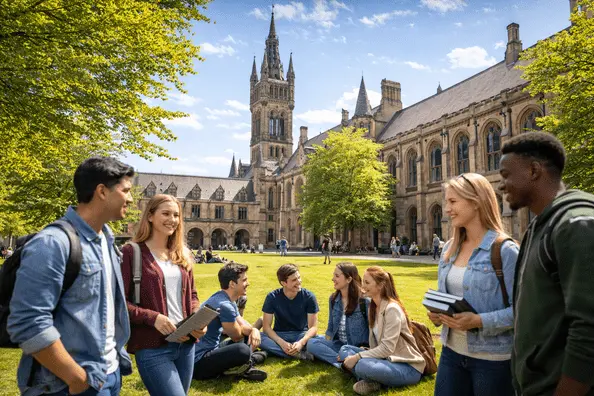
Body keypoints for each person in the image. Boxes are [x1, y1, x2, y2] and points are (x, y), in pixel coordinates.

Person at [8, 157, 135, 395]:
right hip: (65, 384)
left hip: (109, 374)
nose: (131, 199)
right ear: (102, 192)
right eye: (126, 190)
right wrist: (75, 378)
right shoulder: (52, 243)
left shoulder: (107, 241)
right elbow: (27, 322)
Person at [499, 132, 594, 396]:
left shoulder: (576, 224)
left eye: (506, 175)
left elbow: (588, 328)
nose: (501, 185)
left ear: (533, 170)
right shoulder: (542, 224)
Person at [427, 172, 519, 396]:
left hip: (492, 361)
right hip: (451, 353)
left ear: (476, 201)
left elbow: (524, 312)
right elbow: (446, 296)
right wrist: (438, 315)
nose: (447, 209)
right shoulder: (450, 248)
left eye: (453, 201)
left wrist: (479, 321)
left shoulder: (505, 251)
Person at [121, 194, 204, 396]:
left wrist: (197, 318)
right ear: (150, 216)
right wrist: (153, 318)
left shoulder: (181, 253)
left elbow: (192, 294)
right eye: (165, 213)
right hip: (153, 347)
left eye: (176, 215)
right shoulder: (131, 253)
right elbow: (119, 302)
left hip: (186, 345)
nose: (172, 220)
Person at [338, 266, 425, 395]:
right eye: (363, 282)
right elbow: (377, 346)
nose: (363, 286)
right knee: (345, 350)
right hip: (385, 360)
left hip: (407, 366)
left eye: (367, 283)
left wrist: (358, 357)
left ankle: (371, 378)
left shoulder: (392, 309)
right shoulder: (373, 307)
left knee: (361, 364)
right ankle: (374, 380)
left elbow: (388, 348)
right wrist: (362, 354)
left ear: (380, 286)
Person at [193, 263, 267, 381]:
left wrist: (253, 330)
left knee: (250, 340)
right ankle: (248, 363)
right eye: (244, 280)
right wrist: (252, 330)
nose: (248, 283)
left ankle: (242, 366)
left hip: (212, 348)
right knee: (242, 350)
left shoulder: (225, 298)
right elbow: (237, 336)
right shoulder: (224, 305)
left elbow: (242, 324)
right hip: (198, 362)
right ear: (232, 284)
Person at [307, 262, 369, 368]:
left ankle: (347, 360)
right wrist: (325, 344)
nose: (332, 279)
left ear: (349, 279)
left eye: (337, 276)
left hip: (356, 348)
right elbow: (331, 326)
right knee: (311, 343)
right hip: (339, 344)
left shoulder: (365, 301)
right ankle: (343, 363)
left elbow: (373, 330)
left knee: (317, 345)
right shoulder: (333, 299)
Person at [260, 264, 319, 360]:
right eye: (294, 280)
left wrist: (301, 342)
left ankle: (276, 352)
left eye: (299, 278)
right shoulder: (272, 297)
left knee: (317, 341)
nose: (299, 282)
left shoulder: (309, 297)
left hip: (301, 334)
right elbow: (266, 328)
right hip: (279, 335)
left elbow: (313, 328)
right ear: (283, 283)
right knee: (259, 337)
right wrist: (281, 343)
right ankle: (299, 354)